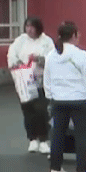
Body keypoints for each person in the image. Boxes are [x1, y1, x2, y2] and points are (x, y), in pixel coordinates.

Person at [44, 21, 86, 172]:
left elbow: (47, 79)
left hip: (58, 101)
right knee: (81, 135)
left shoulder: (51, 56)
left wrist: (51, 95)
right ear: (74, 35)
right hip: (80, 101)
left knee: (57, 134)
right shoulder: (82, 56)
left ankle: (55, 170)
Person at [7, 17, 56, 154]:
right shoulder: (20, 41)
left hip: (40, 82)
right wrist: (17, 65)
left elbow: (52, 59)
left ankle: (44, 139)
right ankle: (32, 139)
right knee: (28, 111)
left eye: (32, 26)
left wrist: (39, 59)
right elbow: (12, 56)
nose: (29, 29)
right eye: (27, 26)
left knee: (41, 111)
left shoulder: (47, 41)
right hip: (25, 83)